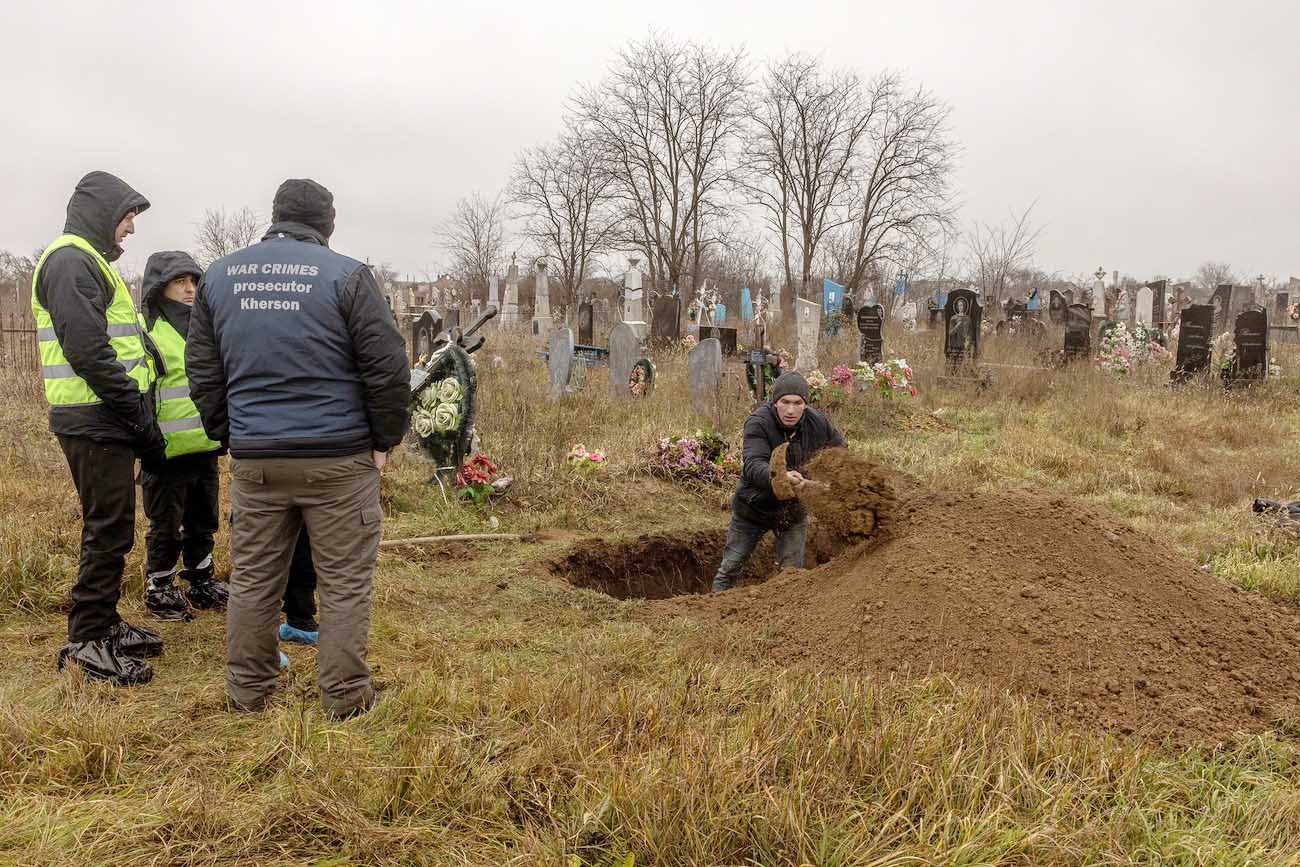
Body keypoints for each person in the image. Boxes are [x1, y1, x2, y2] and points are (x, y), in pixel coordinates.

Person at [187, 178, 409, 719]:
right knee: (344, 582)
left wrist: (232, 435)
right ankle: (346, 696)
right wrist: (384, 441)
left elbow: (203, 370)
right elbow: (386, 368)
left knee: (253, 579)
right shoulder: (348, 276)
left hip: (258, 459)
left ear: (276, 215)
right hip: (338, 459)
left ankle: (247, 691)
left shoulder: (219, 276)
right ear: (327, 224)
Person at [30, 171, 166, 685]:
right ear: (104, 213)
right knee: (107, 527)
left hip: (102, 416)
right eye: (128, 216)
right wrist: (133, 408)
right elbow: (87, 350)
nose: (131, 228)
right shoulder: (70, 261)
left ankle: (104, 624)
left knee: (114, 525)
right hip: (94, 417)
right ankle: (87, 640)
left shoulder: (86, 262)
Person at [138, 251, 229, 621]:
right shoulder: (148, 332)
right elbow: (141, 392)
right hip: (166, 450)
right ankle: (159, 587)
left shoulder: (205, 327)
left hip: (204, 444)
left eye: (194, 281)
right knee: (165, 523)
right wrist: (148, 442)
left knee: (204, 518)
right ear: (161, 288)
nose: (190, 289)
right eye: (180, 282)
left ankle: (201, 580)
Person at [712, 371, 846, 592]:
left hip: (792, 513)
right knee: (729, 568)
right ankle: (712, 611)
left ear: (805, 404)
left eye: (797, 403)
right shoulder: (759, 423)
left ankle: (785, 621)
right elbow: (754, 464)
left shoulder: (818, 422)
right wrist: (782, 478)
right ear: (775, 403)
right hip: (754, 509)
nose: (791, 410)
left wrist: (827, 480)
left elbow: (840, 452)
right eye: (785, 402)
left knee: (791, 575)